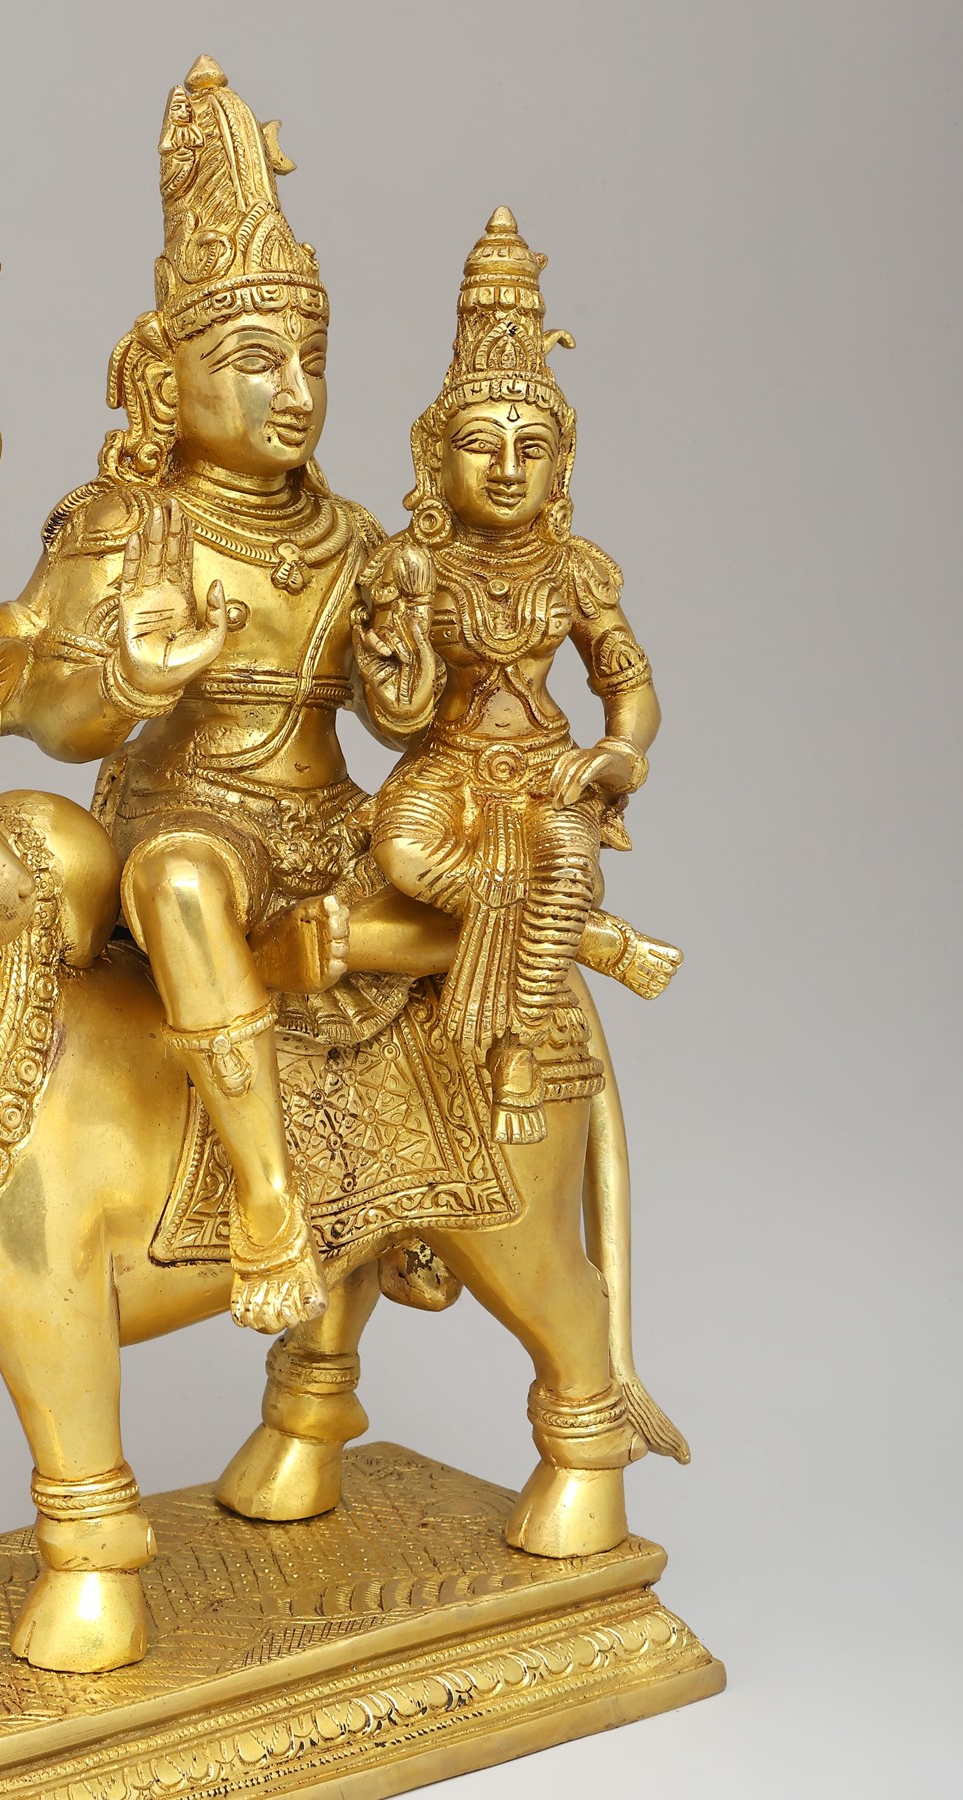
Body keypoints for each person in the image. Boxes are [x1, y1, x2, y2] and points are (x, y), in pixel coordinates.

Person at [0, 57, 434, 1330]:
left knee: (482, 879)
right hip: (192, 820)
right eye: (257, 360)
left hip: (331, 822)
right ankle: (270, 1201)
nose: (298, 392)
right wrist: (121, 670)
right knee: (179, 884)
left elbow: (395, 720)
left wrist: (406, 660)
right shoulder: (129, 525)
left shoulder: (352, 536)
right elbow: (27, 701)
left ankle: (405, 1206)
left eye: (313, 359)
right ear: (166, 380)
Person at [361, 208, 673, 1143]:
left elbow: (630, 688)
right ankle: (592, 940)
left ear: (561, 465)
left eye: (530, 449)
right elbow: (391, 715)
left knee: (568, 857)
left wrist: (619, 756)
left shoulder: (574, 570)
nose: (505, 469)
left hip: (548, 770)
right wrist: (396, 645)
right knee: (400, 854)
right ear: (434, 455)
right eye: (480, 446)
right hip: (447, 763)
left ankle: (517, 1046)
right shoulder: (413, 563)